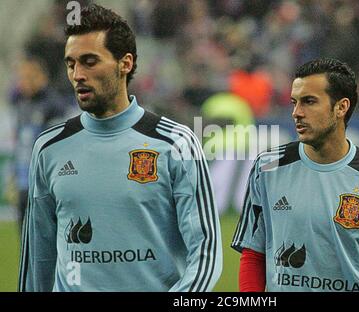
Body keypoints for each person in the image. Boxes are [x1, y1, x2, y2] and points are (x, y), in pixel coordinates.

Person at [18, 4, 222, 292]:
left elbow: (206, 251)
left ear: (125, 63)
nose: (77, 74)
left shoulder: (176, 143)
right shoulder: (49, 148)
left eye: (90, 61)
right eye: (71, 63)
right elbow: (37, 259)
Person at [231, 58, 359, 292]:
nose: (296, 113)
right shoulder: (268, 167)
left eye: (309, 102)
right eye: (294, 102)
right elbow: (253, 253)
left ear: (341, 107)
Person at [10, 56, 72, 233]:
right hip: (24, 179)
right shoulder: (21, 103)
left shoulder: (53, 105)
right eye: (21, 77)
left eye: (28, 77)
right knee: (24, 236)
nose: (22, 82)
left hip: (44, 181)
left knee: (45, 236)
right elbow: (20, 143)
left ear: (41, 78)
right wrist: (14, 172)